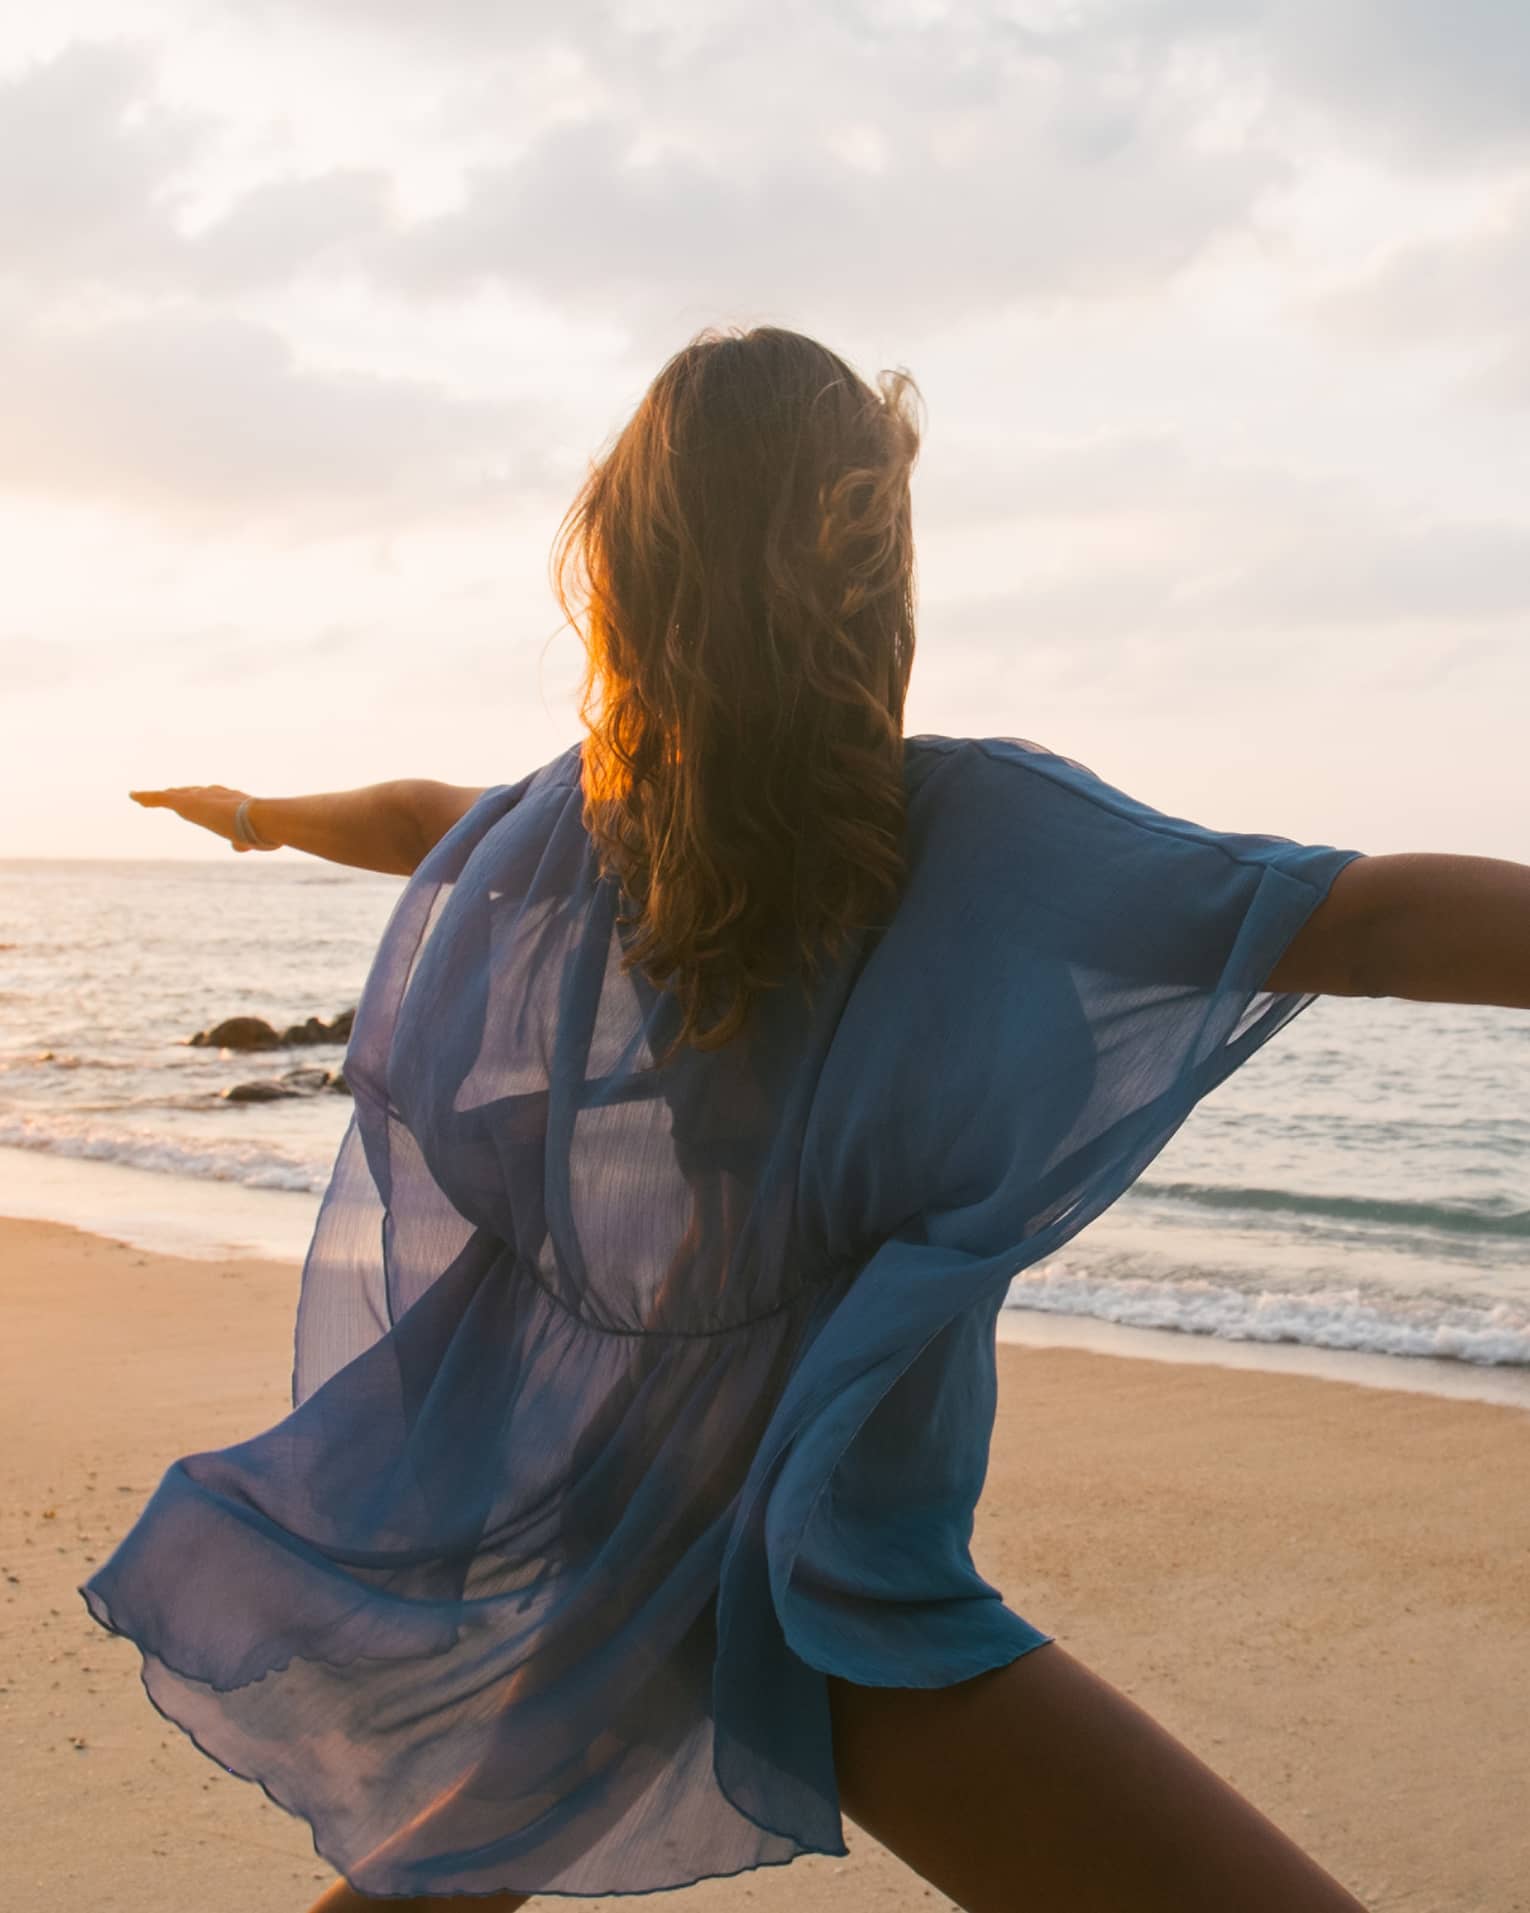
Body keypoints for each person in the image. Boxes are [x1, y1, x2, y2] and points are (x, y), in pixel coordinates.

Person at [99, 327, 1530, 1913]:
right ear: (875, 574)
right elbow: (1375, 921)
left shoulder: (595, 833)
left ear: (628, 574)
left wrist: (252, 817)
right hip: (822, 1582)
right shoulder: (977, 840)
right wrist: (254, 817)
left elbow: (424, 821)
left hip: (627, 1543)